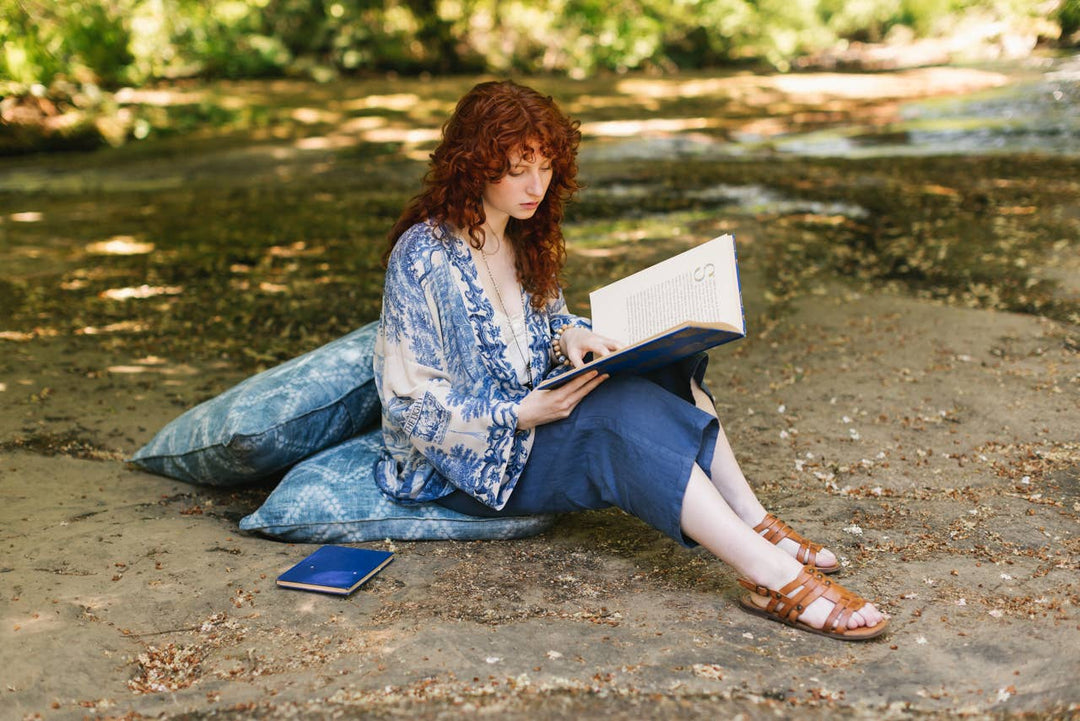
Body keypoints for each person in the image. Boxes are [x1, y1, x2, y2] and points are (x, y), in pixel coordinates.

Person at [373, 79, 888, 641]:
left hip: (540, 401)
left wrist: (570, 336)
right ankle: (772, 577)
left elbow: (545, 322)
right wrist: (521, 415)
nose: (536, 185)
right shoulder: (422, 256)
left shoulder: (522, 231)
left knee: (661, 364)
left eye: (545, 166)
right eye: (518, 168)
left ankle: (754, 520)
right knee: (616, 423)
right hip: (471, 459)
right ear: (474, 164)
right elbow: (408, 403)